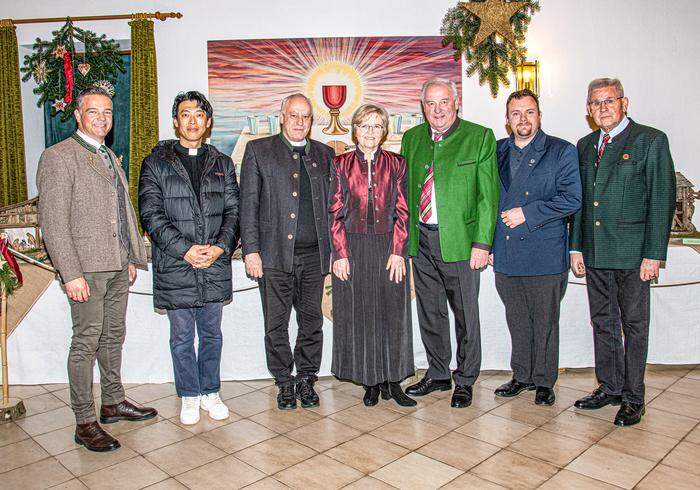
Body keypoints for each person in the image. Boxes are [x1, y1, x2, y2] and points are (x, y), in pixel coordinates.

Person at [37, 87, 157, 452]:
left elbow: (120, 210)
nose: (102, 118)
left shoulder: (108, 156)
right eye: (94, 112)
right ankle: (85, 420)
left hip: (117, 265)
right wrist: (70, 273)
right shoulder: (60, 157)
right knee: (86, 342)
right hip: (85, 270)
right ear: (77, 114)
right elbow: (53, 223)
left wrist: (130, 256)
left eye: (107, 112)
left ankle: (113, 401)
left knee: (112, 336)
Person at [571, 78, 676, 426]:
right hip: (596, 253)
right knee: (602, 322)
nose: (603, 108)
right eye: (596, 103)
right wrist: (576, 247)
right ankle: (610, 386)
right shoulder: (585, 145)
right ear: (588, 109)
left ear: (624, 102)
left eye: (609, 101)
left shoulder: (650, 140)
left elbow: (662, 200)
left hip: (633, 254)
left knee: (634, 326)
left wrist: (653, 254)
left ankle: (634, 396)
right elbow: (581, 203)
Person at [139, 91, 240, 425]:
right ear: (175, 121)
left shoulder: (223, 164)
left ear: (208, 122)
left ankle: (210, 391)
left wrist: (220, 247)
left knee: (212, 334)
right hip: (175, 264)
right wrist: (185, 249)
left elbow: (234, 212)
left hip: (214, 263)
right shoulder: (156, 163)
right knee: (182, 337)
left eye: (199, 114)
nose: (192, 121)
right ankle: (189, 395)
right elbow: (151, 214)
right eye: (185, 114)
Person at [401, 77, 499, 408]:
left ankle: (466, 378)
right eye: (431, 103)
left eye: (444, 102)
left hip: (461, 242)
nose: (438, 109)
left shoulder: (479, 137)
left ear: (456, 103)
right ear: (423, 107)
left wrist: (482, 243)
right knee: (430, 311)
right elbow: (404, 193)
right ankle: (438, 373)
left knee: (465, 314)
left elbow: (488, 196)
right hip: (422, 240)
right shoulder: (412, 139)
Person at [240, 94, 335, 410]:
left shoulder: (324, 154)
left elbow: (334, 208)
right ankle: (284, 381)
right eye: (293, 115)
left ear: (311, 121)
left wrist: (335, 251)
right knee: (276, 325)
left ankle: (307, 378)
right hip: (273, 257)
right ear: (281, 116)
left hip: (314, 258)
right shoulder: (259, 151)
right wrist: (251, 251)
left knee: (312, 323)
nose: (299, 122)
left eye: (305, 117)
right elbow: (248, 206)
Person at [491, 89, 581, 406]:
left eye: (529, 112)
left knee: (544, 321)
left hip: (544, 252)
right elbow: (487, 200)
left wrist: (527, 214)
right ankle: (522, 375)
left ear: (539, 115)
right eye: (516, 113)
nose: (523, 119)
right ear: (507, 119)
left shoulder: (561, 151)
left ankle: (544, 380)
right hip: (506, 253)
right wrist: (487, 243)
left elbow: (572, 199)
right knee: (517, 320)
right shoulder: (496, 150)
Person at [329, 104, 415, 407]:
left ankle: (394, 380)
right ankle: (370, 381)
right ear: (354, 129)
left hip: (388, 247)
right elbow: (334, 211)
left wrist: (398, 251)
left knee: (393, 312)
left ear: (384, 131)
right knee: (362, 313)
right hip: (352, 247)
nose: (370, 132)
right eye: (365, 125)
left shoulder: (397, 164)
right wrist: (340, 253)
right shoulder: (340, 164)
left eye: (377, 126)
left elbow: (404, 210)